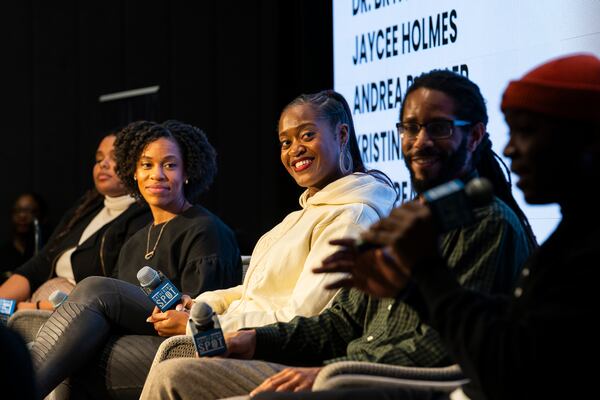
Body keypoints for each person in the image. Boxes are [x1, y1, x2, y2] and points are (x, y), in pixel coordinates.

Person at [139, 72, 536, 400]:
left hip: (370, 384)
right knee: (176, 374)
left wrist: (329, 374)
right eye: (410, 128)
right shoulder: (407, 222)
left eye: (439, 128)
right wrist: (254, 339)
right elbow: (339, 321)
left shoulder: (485, 223)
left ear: (475, 135)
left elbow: (442, 347)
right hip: (338, 372)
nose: (420, 142)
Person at [310, 54, 600, 399]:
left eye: (527, 132)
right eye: (410, 128)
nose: (509, 148)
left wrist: (426, 268)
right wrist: (408, 289)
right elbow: (504, 330)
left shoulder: (505, 226)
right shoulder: (568, 241)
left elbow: (505, 365)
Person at [146, 90, 396, 339]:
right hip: (235, 335)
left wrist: (202, 326)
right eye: (286, 142)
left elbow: (303, 316)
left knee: (108, 301)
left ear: (341, 135)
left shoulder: (351, 218)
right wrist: (200, 306)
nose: (295, 149)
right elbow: (256, 294)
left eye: (307, 135)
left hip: (265, 348)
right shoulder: (301, 216)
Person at [29, 120, 242, 399]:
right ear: (133, 172)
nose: (157, 174)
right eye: (146, 165)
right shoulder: (134, 243)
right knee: (70, 353)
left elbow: (206, 317)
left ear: (188, 172)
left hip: (182, 347)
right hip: (130, 344)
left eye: (169, 165)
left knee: (97, 289)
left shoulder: (206, 230)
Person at [0, 133, 151, 309]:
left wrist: (32, 307)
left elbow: (111, 292)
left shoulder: (143, 216)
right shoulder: (87, 207)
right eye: (99, 159)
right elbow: (41, 262)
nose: (103, 164)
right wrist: (3, 303)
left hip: (78, 314)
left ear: (138, 165)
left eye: (115, 157)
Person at [0, 192, 48, 283]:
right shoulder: (2, 253)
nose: (22, 216)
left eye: (29, 211)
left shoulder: (47, 253)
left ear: (43, 217)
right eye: (17, 211)